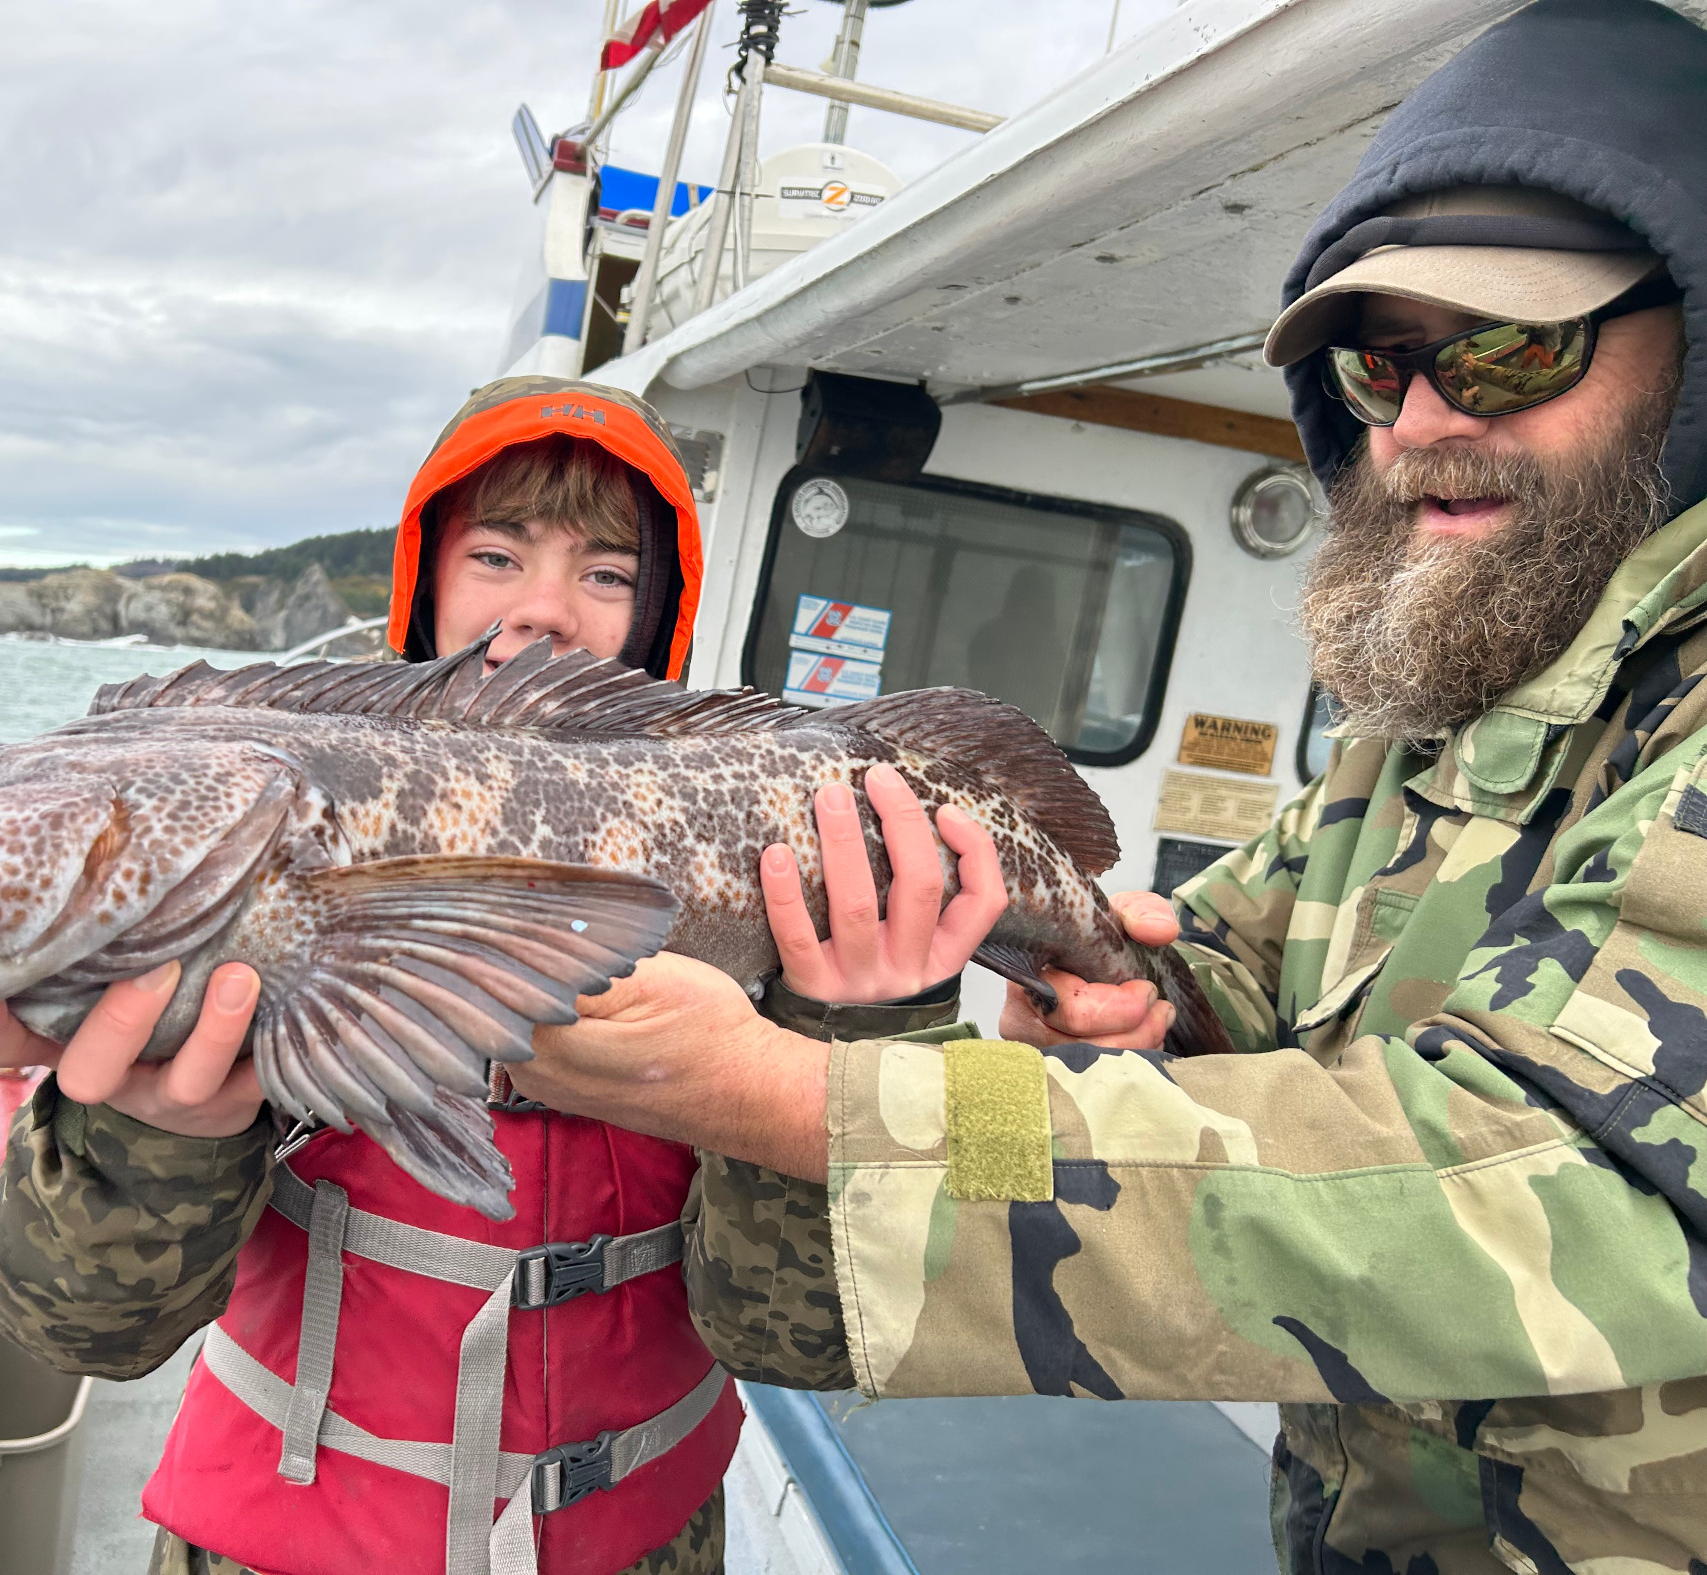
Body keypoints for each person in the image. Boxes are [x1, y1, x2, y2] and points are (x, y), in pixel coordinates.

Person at [510, 3, 1707, 1570]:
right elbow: (1215, 958)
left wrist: (789, 1096)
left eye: (1507, 349)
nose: (1421, 423)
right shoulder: (1434, 705)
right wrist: (1148, 1008)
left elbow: (1574, 1195)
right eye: (1378, 364)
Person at [0, 374, 1009, 1575]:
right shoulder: (251, 856)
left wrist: (849, 1037)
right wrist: (157, 1129)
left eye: (608, 575)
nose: (547, 612)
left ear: (658, 615)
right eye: (498, 555)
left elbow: (809, 1347)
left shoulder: (769, 872)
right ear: (425, 581)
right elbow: (82, 1325)